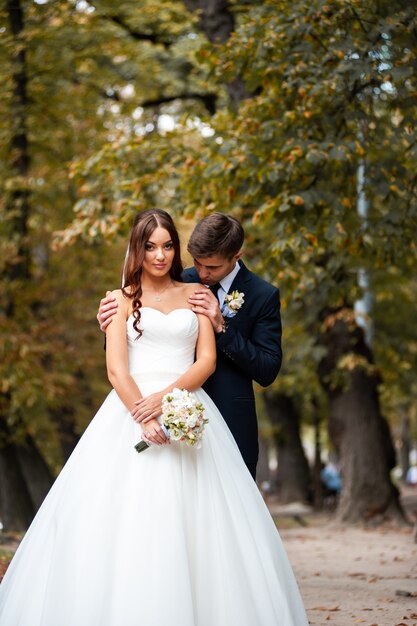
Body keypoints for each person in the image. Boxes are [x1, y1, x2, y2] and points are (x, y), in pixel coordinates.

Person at [0, 209, 308, 625]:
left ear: (235, 256)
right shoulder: (146, 290)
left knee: (213, 529)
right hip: (134, 409)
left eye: (170, 248)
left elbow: (238, 365)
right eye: (152, 247)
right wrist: (112, 331)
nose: (196, 271)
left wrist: (213, 336)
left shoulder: (235, 295)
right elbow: (119, 364)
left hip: (208, 417)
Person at [98, 212, 282, 479]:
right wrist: (109, 323)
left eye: (213, 268)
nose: (203, 273)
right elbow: (135, 342)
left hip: (227, 418)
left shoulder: (262, 296)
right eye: (198, 263)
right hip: (153, 406)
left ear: (236, 256)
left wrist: (222, 327)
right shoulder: (178, 280)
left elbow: (267, 370)